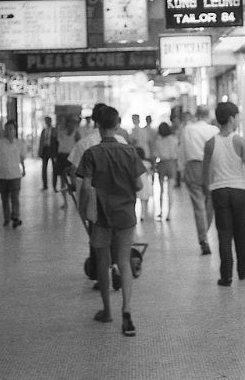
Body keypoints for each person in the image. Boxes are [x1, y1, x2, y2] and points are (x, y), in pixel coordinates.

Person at [76, 106, 146, 337]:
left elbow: (86, 186)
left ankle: (107, 311)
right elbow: (139, 185)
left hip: (101, 218)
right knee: (124, 262)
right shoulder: (130, 152)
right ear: (117, 125)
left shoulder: (91, 153)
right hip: (125, 215)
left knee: (104, 263)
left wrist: (82, 207)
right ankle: (127, 310)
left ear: (98, 126)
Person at [202, 102, 245, 286]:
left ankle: (226, 276)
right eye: (237, 116)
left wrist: (207, 193)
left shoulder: (210, 143)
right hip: (239, 192)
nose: (239, 119)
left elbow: (205, 172)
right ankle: (243, 270)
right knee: (241, 233)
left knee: (224, 234)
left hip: (219, 191)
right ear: (231, 119)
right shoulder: (240, 141)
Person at [178, 105, 218, 255]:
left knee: (198, 205)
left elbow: (181, 150)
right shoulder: (214, 130)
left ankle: (203, 239)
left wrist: (181, 169)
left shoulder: (188, 129)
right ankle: (205, 233)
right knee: (210, 203)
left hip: (193, 166)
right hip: (211, 168)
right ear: (208, 115)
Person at [0, 120, 27, 228]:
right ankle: (7, 218)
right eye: (7, 129)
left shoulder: (20, 144)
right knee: (4, 198)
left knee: (15, 198)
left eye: (11, 129)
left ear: (15, 131)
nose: (9, 131)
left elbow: (21, 158)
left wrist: (24, 168)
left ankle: (15, 217)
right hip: (2, 175)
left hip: (15, 175)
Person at [152, 122, 178, 221]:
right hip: (172, 164)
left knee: (161, 190)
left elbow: (155, 155)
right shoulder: (174, 139)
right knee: (170, 190)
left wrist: (154, 167)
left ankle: (161, 212)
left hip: (162, 164)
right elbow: (177, 153)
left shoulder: (158, 142)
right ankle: (169, 214)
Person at [55, 116, 80, 209]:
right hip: (62, 157)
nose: (71, 125)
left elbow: (79, 146)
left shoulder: (76, 133)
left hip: (72, 157)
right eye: (70, 123)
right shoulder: (61, 132)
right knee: (62, 181)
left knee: (74, 181)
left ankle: (77, 201)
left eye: (73, 123)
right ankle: (65, 202)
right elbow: (57, 139)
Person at [38, 116, 57, 191]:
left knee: (54, 169)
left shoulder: (54, 130)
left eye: (48, 121)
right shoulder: (43, 131)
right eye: (46, 121)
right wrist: (40, 152)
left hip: (52, 150)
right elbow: (41, 142)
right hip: (45, 150)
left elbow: (56, 142)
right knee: (44, 169)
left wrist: (56, 153)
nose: (47, 122)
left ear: (51, 121)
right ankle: (45, 185)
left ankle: (54, 186)